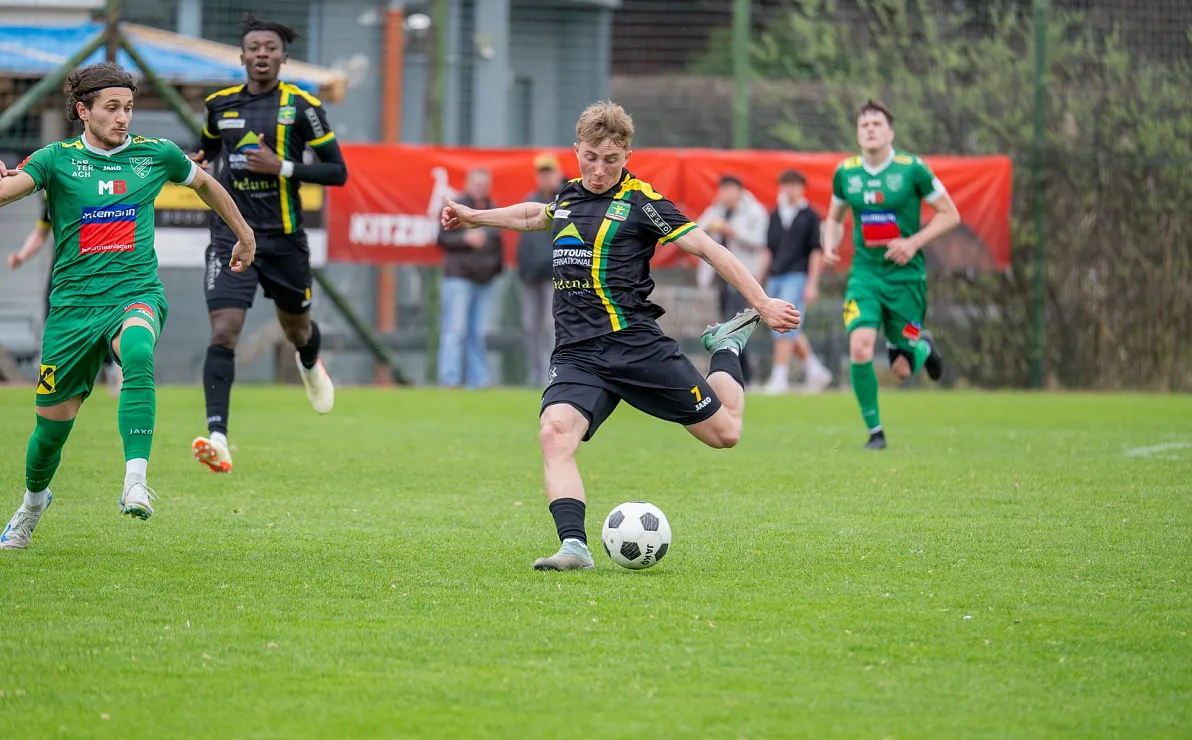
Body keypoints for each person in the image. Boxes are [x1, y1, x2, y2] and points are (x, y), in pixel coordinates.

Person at [439, 100, 800, 571]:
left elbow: (710, 249)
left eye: (611, 160)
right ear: (577, 150)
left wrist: (763, 303)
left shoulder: (642, 202)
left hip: (634, 345)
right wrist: (475, 216)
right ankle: (574, 547)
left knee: (726, 433)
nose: (598, 169)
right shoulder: (569, 196)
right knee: (554, 434)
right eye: (590, 156)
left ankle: (727, 347)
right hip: (577, 354)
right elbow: (536, 216)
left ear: (627, 157)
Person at [0, 62, 255, 550]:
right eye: (112, 108)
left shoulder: (153, 155)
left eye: (129, 108)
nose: (123, 118)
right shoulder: (55, 159)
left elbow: (205, 184)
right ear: (83, 111)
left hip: (134, 293)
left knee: (138, 349)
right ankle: (33, 504)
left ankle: (135, 480)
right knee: (48, 435)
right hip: (73, 310)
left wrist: (244, 235)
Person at [189, 14, 347, 474]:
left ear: (282, 57)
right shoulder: (219, 105)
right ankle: (217, 436)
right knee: (224, 330)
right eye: (254, 47)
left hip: (283, 240)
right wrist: (197, 158)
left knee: (297, 330)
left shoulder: (302, 106)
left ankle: (309, 362)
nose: (262, 54)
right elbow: (209, 150)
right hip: (232, 236)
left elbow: (337, 171)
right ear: (242, 56)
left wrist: (282, 168)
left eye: (270, 48)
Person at [822, 99, 960, 449]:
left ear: (890, 131)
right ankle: (875, 433)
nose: (869, 129)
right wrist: (828, 244)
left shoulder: (912, 169)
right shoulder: (846, 173)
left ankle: (923, 348)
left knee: (901, 368)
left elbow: (950, 214)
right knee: (860, 346)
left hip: (906, 278)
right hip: (865, 276)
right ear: (857, 133)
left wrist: (913, 242)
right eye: (863, 124)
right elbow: (834, 218)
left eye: (876, 124)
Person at [8, 196, 123, 398]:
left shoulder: (93, 191)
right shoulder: (52, 197)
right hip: (62, 274)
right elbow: (41, 232)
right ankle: (51, 383)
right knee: (52, 323)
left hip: (94, 271)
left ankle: (114, 367)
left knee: (104, 324)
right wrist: (22, 256)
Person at [761, 169, 832, 394]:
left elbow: (815, 252)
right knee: (787, 326)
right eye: (786, 185)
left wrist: (812, 283)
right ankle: (815, 370)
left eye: (794, 185)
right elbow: (768, 249)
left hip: (798, 276)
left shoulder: (810, 215)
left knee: (784, 324)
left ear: (802, 187)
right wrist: (756, 278)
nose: (789, 189)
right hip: (775, 276)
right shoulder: (774, 214)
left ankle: (779, 377)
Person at [697, 174, 769, 386]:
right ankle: (740, 374)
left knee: (734, 324)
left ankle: (741, 374)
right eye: (723, 190)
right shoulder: (716, 209)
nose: (726, 195)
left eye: (730, 190)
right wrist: (712, 226)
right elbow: (695, 229)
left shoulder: (754, 211)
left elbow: (760, 241)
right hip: (719, 277)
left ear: (739, 191)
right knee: (727, 324)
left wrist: (733, 231)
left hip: (743, 276)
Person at [436, 167, 503, 389]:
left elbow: (498, 245)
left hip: (484, 280)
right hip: (459, 277)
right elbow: (441, 237)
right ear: (467, 184)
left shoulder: (494, 210)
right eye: (477, 183)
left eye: (484, 184)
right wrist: (466, 239)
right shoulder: (455, 207)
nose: (480, 188)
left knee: (478, 332)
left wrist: (495, 270)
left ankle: (479, 380)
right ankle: (450, 379)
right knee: (455, 330)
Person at [515, 153, 564, 386]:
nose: (545, 178)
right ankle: (534, 374)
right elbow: (523, 241)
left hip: (555, 276)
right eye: (541, 173)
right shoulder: (531, 199)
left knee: (551, 326)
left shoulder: (566, 200)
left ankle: (551, 374)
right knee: (530, 326)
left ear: (557, 173)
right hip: (531, 275)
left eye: (549, 172)